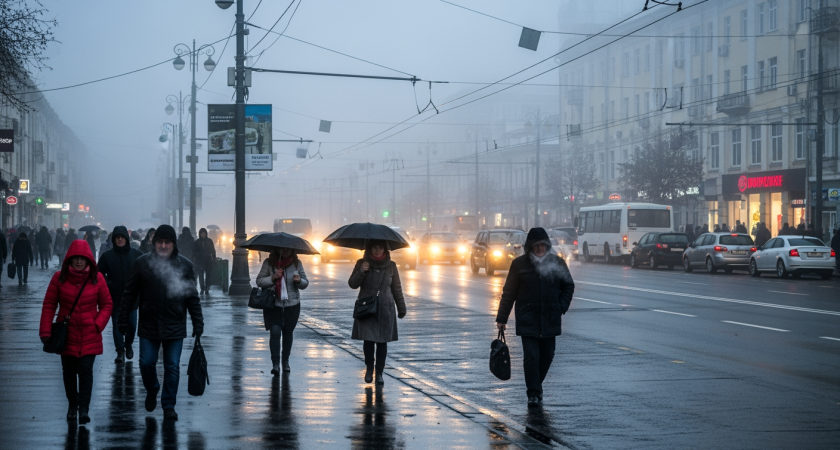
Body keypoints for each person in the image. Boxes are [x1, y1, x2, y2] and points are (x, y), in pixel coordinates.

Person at [120, 224, 203, 421]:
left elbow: (192, 297)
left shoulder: (185, 265)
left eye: (167, 242)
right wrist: (122, 318)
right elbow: (129, 293)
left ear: (174, 244)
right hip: (149, 324)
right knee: (146, 363)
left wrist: (198, 323)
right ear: (154, 243)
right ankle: (152, 389)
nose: (163, 246)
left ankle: (168, 405)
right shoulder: (142, 263)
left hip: (174, 324)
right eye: (160, 242)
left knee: (172, 366)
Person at [496, 228, 575, 407]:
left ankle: (536, 386)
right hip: (528, 318)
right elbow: (509, 293)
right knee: (531, 356)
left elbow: (568, 286)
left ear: (547, 246)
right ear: (529, 247)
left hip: (550, 317)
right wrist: (502, 318)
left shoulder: (558, 263)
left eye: (542, 245)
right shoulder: (519, 265)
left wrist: (561, 307)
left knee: (547, 355)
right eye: (536, 245)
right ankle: (533, 393)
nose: (539, 248)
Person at [38, 240, 112, 424]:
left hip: (89, 333)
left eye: (82, 258)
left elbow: (106, 304)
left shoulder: (98, 278)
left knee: (86, 371)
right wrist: (45, 331)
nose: (79, 261)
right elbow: (49, 305)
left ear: (89, 260)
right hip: (67, 334)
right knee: (69, 372)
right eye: (75, 258)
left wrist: (97, 325)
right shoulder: (59, 278)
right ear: (69, 259)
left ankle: (84, 409)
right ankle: (73, 405)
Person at [348, 240, 406, 385]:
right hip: (367, 308)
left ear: (385, 250)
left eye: (380, 248)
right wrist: (362, 271)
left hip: (386, 308)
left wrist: (401, 307)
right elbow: (352, 284)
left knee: (382, 342)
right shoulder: (362, 263)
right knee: (368, 341)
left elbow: (396, 288)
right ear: (369, 249)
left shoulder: (391, 266)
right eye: (374, 247)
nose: (377, 250)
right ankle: (369, 368)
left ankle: (379, 373)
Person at [255, 247, 309, 375]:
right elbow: (259, 281)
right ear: (277, 249)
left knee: (288, 333)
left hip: (292, 305)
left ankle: (285, 362)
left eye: (288, 249)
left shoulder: (297, 263)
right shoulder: (269, 263)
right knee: (275, 332)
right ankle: (275, 364)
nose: (285, 251)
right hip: (274, 304)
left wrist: (299, 281)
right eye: (282, 249)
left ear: (292, 250)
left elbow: (305, 282)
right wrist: (273, 277)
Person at [98, 226, 143, 364]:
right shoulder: (107, 256)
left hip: (133, 298)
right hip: (115, 297)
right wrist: (109, 284)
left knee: (132, 324)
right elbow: (98, 273)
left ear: (127, 239)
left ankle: (128, 345)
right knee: (117, 325)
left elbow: (146, 270)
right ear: (114, 239)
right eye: (117, 237)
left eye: (122, 237)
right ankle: (120, 351)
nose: (120, 239)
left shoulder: (136, 254)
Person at [193, 228, 216, 295]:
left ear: (206, 234)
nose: (203, 235)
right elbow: (194, 252)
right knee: (201, 276)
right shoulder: (197, 242)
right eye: (202, 234)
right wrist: (195, 258)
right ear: (200, 234)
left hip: (208, 260)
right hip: (200, 261)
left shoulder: (209, 241)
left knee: (208, 275)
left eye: (204, 233)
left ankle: (207, 287)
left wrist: (214, 257)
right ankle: (202, 288)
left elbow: (212, 250)